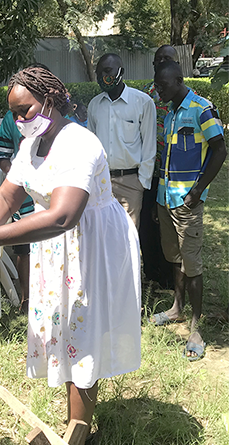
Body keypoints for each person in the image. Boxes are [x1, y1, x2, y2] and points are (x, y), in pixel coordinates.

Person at [0, 66, 141, 445]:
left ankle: (78, 441)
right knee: (66, 332)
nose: (18, 120)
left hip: (91, 246)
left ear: (51, 101)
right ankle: (76, 421)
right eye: (13, 112)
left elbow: (63, 215)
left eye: (25, 110)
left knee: (83, 332)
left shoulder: (79, 144)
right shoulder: (31, 145)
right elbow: (9, 195)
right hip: (56, 247)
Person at [151, 61, 226, 361]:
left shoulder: (201, 109)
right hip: (165, 199)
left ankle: (196, 327)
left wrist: (197, 191)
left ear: (179, 80)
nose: (159, 90)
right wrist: (159, 199)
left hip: (187, 202)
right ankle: (176, 309)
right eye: (157, 86)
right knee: (175, 257)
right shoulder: (169, 113)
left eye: (163, 85)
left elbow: (220, 149)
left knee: (192, 264)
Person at [87, 53, 157, 228]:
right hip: (101, 182)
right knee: (102, 235)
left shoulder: (142, 102)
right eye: (99, 73)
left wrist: (141, 182)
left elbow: (149, 145)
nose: (103, 76)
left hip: (130, 182)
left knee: (128, 237)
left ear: (121, 71)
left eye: (108, 71)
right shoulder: (94, 105)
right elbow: (90, 146)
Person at [139, 45, 178, 289]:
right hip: (148, 171)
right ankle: (151, 273)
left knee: (170, 226)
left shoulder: (184, 95)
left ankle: (170, 276)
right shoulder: (144, 95)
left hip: (175, 174)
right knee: (147, 223)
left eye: (167, 58)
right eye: (158, 59)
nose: (162, 62)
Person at [0, 108, 34, 313]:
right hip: (24, 195)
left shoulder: (58, 121)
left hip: (52, 194)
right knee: (24, 248)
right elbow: (2, 155)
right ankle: (26, 299)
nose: (19, 115)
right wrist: (17, 175)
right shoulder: (9, 120)